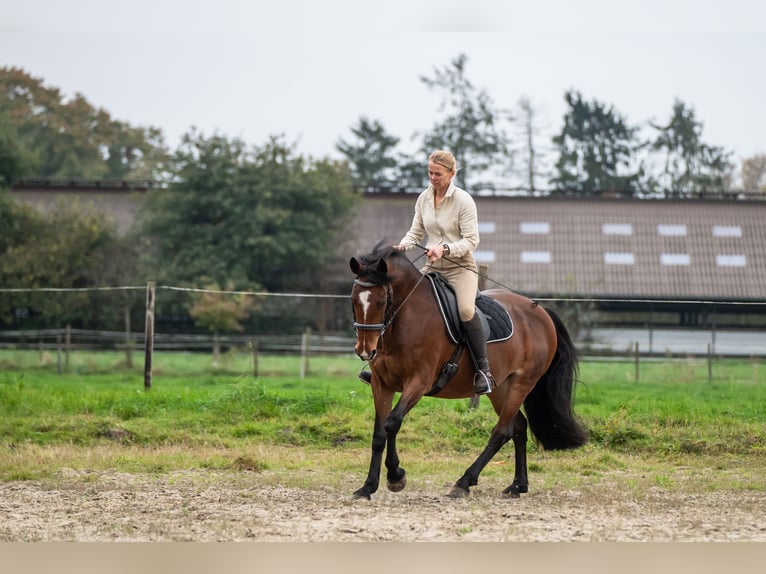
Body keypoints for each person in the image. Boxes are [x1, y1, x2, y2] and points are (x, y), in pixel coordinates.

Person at [358, 150, 495, 395]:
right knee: (397, 301)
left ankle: (483, 370)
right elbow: (416, 232)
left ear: (452, 174)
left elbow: (472, 240)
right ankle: (382, 367)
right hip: (432, 268)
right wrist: (402, 246)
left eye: (438, 174)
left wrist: (445, 249)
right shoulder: (423, 198)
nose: (433, 178)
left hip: (459, 268)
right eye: (430, 173)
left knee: (465, 310)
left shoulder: (464, 201)